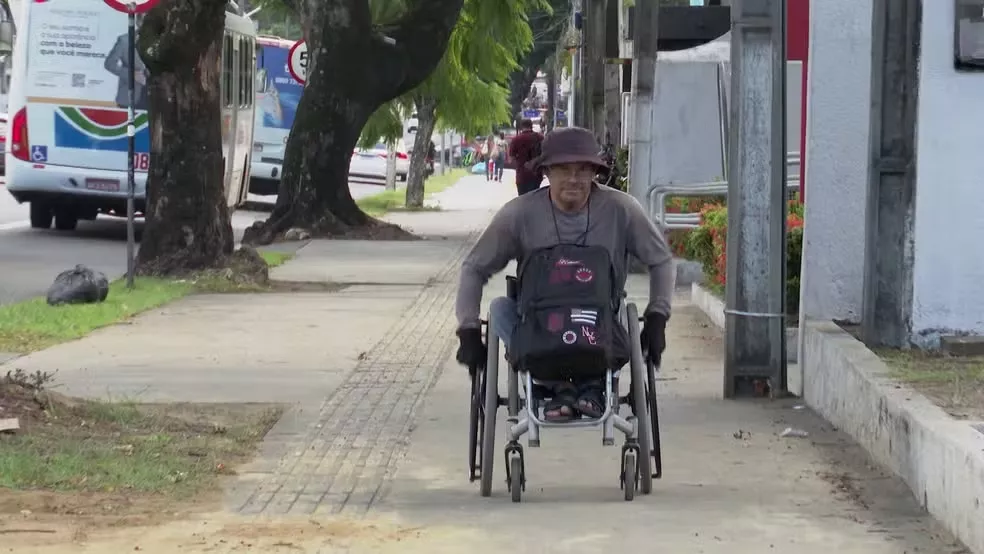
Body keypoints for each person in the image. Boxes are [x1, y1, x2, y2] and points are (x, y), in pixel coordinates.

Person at [454, 126, 674, 422]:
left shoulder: (620, 209)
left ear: (594, 172)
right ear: (546, 171)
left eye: (583, 170)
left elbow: (661, 260)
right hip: (537, 323)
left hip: (599, 320)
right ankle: (561, 387)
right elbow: (474, 267)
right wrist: (468, 329)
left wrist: (658, 315)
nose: (573, 179)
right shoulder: (520, 214)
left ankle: (587, 386)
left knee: (625, 315)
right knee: (499, 309)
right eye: (563, 169)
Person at [104, 16, 149, 111]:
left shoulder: (162, 41)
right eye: (144, 20)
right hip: (129, 97)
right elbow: (109, 63)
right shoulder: (125, 40)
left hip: (155, 98)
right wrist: (131, 74)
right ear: (138, 21)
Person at [508, 119, 544, 195]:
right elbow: (545, 154)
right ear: (531, 126)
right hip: (536, 174)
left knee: (523, 198)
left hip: (522, 175)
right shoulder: (540, 138)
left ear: (521, 127)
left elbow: (511, 157)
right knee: (534, 197)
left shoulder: (516, 140)